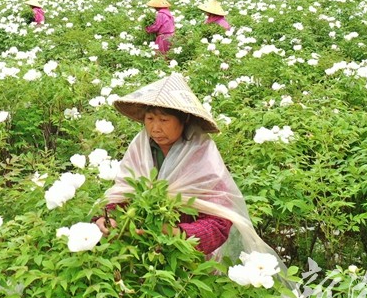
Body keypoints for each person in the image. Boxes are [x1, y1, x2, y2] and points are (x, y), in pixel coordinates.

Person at [93, 73, 276, 260]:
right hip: (137, 253)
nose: (155, 128)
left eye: (164, 120)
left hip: (188, 261)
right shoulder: (140, 148)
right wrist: (104, 218)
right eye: (149, 119)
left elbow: (220, 222)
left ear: (184, 119)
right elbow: (121, 193)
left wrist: (177, 233)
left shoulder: (201, 154)